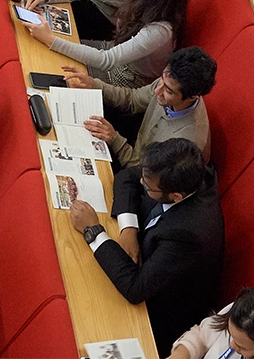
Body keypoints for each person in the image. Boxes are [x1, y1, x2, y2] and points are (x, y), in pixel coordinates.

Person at [69, 139, 224, 357]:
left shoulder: (189, 235)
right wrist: (128, 229)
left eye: (148, 186)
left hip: (161, 312)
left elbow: (135, 289)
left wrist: (93, 231)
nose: (141, 181)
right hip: (142, 259)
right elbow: (126, 177)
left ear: (175, 196)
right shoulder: (186, 172)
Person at [25, 0, 192, 87]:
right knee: (41, 46)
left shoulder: (161, 30)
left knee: (52, 64)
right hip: (114, 47)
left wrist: (51, 39)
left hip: (127, 76)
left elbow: (107, 60)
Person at [63, 47, 216, 169]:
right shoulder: (170, 80)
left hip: (138, 173)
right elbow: (133, 100)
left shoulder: (186, 143)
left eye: (168, 91)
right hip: (132, 149)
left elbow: (148, 177)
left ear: (192, 97)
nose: (157, 91)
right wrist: (94, 84)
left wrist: (115, 140)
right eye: (161, 80)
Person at [167, 284, 254, 359]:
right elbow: (202, 335)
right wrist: (181, 354)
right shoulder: (240, 314)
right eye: (231, 335)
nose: (232, 346)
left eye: (242, 347)